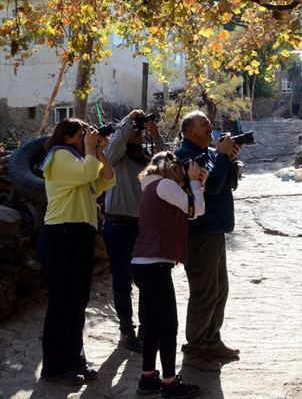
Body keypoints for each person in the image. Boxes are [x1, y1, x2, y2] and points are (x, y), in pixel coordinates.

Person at [37, 118, 116, 386]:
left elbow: (107, 180)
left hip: (79, 237)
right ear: (69, 137)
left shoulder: (83, 161)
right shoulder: (60, 156)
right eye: (84, 134)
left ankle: (74, 361)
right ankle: (54, 368)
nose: (88, 137)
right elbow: (87, 173)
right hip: (61, 235)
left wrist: (100, 149)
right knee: (62, 304)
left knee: (77, 303)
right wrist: (91, 150)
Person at [131, 151, 206, 398]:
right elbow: (197, 210)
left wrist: (197, 184)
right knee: (168, 326)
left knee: (153, 325)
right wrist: (194, 182)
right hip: (155, 265)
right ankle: (170, 384)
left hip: (143, 263)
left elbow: (190, 208)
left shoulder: (151, 186)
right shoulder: (164, 184)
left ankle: (147, 378)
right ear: (170, 167)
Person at [174, 111, 242, 372]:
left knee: (219, 291)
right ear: (189, 130)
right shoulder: (185, 157)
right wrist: (223, 155)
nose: (210, 127)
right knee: (204, 293)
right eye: (205, 124)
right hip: (199, 234)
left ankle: (212, 341)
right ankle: (194, 350)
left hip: (215, 232)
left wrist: (231, 161)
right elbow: (211, 188)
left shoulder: (211, 154)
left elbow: (227, 184)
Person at [103, 110, 164, 352]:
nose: (138, 132)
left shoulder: (145, 157)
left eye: (140, 129)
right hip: (118, 225)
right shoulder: (114, 158)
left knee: (145, 281)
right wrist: (127, 121)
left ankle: (144, 328)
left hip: (143, 226)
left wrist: (156, 135)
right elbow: (115, 144)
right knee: (122, 282)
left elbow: (167, 164)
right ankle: (126, 330)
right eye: (135, 130)